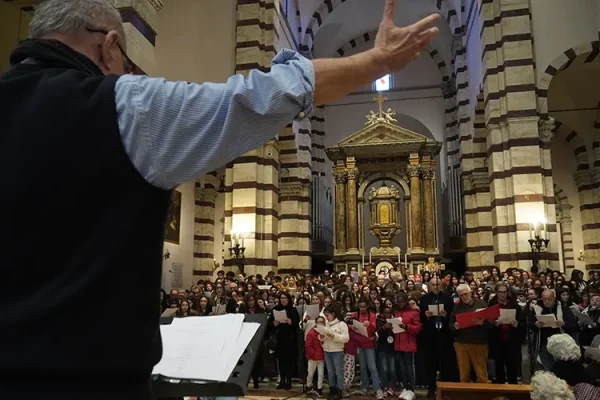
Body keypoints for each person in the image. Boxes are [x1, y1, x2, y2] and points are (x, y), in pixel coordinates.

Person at [0, 0, 440, 397]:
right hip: (87, 382)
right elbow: (254, 99)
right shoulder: (123, 105)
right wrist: (375, 61)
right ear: (110, 46)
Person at [449, 283, 492, 383]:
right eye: (461, 295)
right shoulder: (457, 307)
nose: (464, 297)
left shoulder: (481, 304)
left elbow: (491, 323)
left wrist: (482, 323)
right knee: (464, 375)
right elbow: (450, 324)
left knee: (481, 374)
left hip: (479, 342)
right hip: (461, 343)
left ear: (470, 293)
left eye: (465, 294)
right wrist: (455, 326)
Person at [321, 305, 350, 400]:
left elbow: (346, 338)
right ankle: (332, 390)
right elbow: (322, 337)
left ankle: (339, 390)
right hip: (327, 350)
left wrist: (333, 335)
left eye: (327, 315)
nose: (326, 317)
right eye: (325, 315)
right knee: (330, 372)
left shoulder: (341, 324)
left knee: (339, 371)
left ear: (333, 314)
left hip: (337, 351)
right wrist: (321, 337)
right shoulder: (326, 324)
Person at [305, 316, 326, 397]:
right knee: (310, 373)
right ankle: (308, 386)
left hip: (321, 357)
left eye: (322, 322)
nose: (320, 323)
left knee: (321, 374)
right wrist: (313, 354)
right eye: (319, 322)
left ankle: (319, 388)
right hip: (313, 357)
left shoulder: (324, 332)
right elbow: (308, 346)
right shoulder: (311, 333)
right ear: (316, 323)